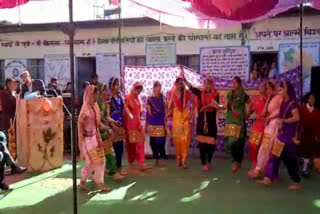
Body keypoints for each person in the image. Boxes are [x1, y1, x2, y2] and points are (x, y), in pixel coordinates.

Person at [259, 81, 301, 190]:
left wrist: (284, 121)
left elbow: (296, 118)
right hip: (282, 134)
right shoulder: (283, 102)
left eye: (281, 90)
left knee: (289, 160)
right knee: (274, 156)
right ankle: (268, 178)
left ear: (287, 90)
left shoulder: (292, 103)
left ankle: (296, 182)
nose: (279, 92)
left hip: (289, 136)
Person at [77, 85, 111, 192]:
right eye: (94, 94)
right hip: (88, 140)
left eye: (96, 94)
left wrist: (107, 128)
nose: (96, 96)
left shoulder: (95, 107)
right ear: (88, 95)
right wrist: (81, 144)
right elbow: (80, 128)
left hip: (96, 138)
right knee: (96, 162)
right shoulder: (85, 110)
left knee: (96, 162)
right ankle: (97, 183)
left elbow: (98, 124)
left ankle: (87, 181)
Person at [184, 77, 221, 171]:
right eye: (205, 84)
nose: (207, 86)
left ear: (212, 85)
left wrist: (209, 106)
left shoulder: (216, 94)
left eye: (208, 84)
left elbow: (219, 106)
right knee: (202, 144)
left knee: (211, 145)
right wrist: (184, 80)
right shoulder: (201, 93)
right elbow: (191, 88)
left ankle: (209, 161)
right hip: (201, 121)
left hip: (211, 122)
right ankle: (204, 163)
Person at [248, 81, 282, 179]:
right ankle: (256, 167)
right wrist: (254, 113)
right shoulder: (257, 99)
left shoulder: (276, 98)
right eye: (263, 87)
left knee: (272, 150)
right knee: (254, 145)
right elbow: (261, 112)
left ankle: (270, 171)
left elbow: (281, 111)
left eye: (265, 87)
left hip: (272, 126)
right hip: (261, 125)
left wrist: (270, 117)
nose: (261, 89)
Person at [97, 84, 124, 180]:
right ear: (99, 92)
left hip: (104, 130)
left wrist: (113, 121)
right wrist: (107, 129)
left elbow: (106, 117)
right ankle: (108, 173)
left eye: (106, 90)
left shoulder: (104, 103)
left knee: (108, 152)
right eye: (104, 90)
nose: (106, 93)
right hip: (98, 131)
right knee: (102, 154)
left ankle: (112, 172)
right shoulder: (97, 104)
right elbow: (97, 121)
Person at [224, 76, 250, 174]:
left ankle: (238, 162)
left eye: (235, 83)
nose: (233, 84)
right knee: (230, 142)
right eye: (232, 83)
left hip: (239, 121)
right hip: (230, 120)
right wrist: (217, 106)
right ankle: (234, 161)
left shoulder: (244, 95)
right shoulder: (229, 94)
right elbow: (225, 105)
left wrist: (248, 114)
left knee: (239, 143)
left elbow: (250, 104)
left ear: (239, 84)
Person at [124, 82, 151, 171]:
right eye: (138, 90)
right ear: (134, 88)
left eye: (140, 90)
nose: (139, 92)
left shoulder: (138, 98)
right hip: (130, 124)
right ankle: (131, 162)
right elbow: (125, 110)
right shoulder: (127, 97)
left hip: (138, 124)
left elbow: (139, 112)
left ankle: (142, 163)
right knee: (131, 145)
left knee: (140, 143)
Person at [168, 77, 192, 169]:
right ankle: (178, 159)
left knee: (185, 139)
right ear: (175, 84)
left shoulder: (187, 92)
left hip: (185, 117)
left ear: (183, 84)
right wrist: (168, 115)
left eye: (181, 83)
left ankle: (184, 160)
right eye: (178, 83)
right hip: (176, 118)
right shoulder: (172, 93)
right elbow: (170, 106)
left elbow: (193, 103)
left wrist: (191, 114)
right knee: (177, 140)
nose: (179, 85)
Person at [107, 77, 128, 175]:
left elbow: (123, 110)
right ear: (111, 85)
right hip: (113, 125)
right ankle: (113, 169)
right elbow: (106, 114)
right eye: (115, 84)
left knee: (120, 148)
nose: (118, 86)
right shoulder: (109, 98)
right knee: (114, 149)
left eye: (118, 84)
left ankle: (119, 168)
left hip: (121, 125)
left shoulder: (121, 96)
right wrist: (112, 124)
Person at [146, 81, 168, 167]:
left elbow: (167, 110)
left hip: (161, 122)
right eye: (157, 87)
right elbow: (148, 113)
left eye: (160, 87)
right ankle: (155, 158)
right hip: (153, 122)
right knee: (153, 142)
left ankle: (163, 157)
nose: (159, 89)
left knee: (161, 142)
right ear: (154, 88)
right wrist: (146, 125)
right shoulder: (150, 99)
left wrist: (167, 121)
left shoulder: (163, 98)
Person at [299, 93, 320, 177]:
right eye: (311, 98)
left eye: (314, 98)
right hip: (303, 135)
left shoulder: (317, 111)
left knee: (310, 153)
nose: (313, 100)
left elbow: (319, 124)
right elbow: (299, 123)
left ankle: (305, 170)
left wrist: (317, 135)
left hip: (312, 136)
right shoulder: (302, 109)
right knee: (303, 153)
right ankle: (304, 168)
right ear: (307, 99)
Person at [247, 82, 267, 170]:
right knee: (253, 144)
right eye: (259, 86)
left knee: (265, 147)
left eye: (262, 86)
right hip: (258, 125)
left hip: (267, 126)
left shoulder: (270, 100)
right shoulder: (255, 99)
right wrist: (249, 110)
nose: (260, 88)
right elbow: (248, 114)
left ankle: (265, 167)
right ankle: (254, 163)